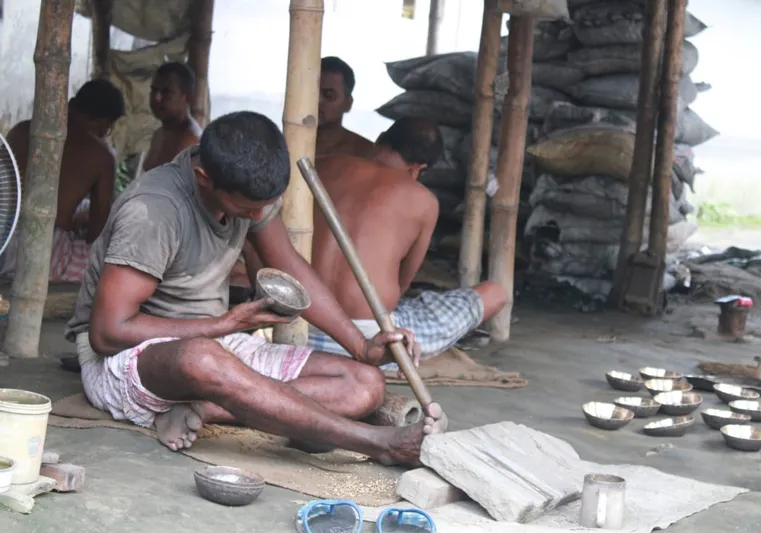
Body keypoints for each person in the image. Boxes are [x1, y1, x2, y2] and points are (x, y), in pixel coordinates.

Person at [64, 111, 445, 466]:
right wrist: (221, 325)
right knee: (200, 359)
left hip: (214, 346)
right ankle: (378, 443)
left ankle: (208, 407)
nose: (256, 217)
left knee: (365, 385)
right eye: (247, 209)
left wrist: (361, 346)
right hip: (128, 360)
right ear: (204, 178)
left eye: (264, 207)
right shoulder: (153, 211)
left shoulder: (250, 194)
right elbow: (108, 334)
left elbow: (289, 264)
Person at [306, 118, 508, 362]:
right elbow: (403, 284)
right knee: (495, 293)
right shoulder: (424, 201)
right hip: (371, 340)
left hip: (298, 321)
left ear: (379, 140)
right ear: (418, 170)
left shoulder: (324, 165)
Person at [0, 79, 124, 282]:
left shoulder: (21, 130)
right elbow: (98, 233)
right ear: (104, 124)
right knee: (107, 264)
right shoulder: (102, 155)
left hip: (4, 236)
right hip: (43, 255)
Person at [141, 62, 202, 172]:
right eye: (154, 90)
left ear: (188, 98)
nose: (156, 98)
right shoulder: (160, 133)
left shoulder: (190, 143)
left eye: (166, 92)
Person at [316, 56, 374, 159]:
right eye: (312, 94)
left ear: (348, 103)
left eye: (329, 95)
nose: (318, 101)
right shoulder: (286, 145)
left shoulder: (366, 153)